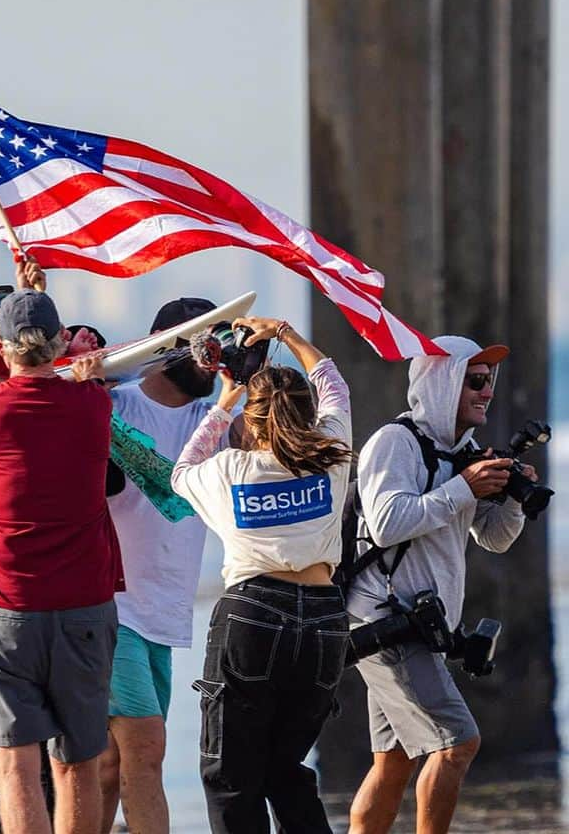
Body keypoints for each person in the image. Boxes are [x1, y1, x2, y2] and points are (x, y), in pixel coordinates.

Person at [0, 290, 124, 834]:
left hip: (7, 610)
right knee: (77, 765)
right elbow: (74, 388)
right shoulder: (93, 404)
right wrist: (83, 371)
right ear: (60, 340)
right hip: (85, 607)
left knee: (16, 767)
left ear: (3, 345)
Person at [171, 316, 353, 834]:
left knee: (230, 776)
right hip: (324, 619)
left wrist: (224, 399)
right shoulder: (333, 453)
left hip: (253, 615)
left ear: (250, 423)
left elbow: (182, 471)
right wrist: (286, 335)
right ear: (308, 414)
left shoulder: (230, 470)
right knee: (285, 771)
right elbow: (333, 383)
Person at [346, 337, 533, 834]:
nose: (487, 392)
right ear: (441, 383)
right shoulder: (394, 443)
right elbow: (386, 523)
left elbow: (493, 539)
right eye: (475, 379)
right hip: (387, 624)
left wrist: (510, 498)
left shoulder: (463, 452)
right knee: (457, 744)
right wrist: (463, 487)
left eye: (489, 381)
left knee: (395, 762)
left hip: (419, 627)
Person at [98, 296, 223, 834]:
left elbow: (273, 430)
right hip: (110, 607)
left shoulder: (214, 420)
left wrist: (250, 365)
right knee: (147, 750)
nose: (217, 361)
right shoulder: (113, 407)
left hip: (165, 614)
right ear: (168, 348)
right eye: (207, 345)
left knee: (108, 766)